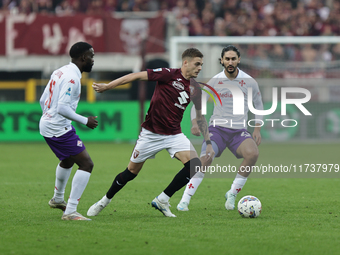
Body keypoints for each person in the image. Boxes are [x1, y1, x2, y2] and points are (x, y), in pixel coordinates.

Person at [87, 48, 214, 218]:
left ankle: (162, 200)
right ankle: (104, 201)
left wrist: (198, 129)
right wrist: (108, 86)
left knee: (194, 165)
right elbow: (135, 76)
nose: (199, 68)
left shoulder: (195, 88)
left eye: (201, 65)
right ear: (186, 62)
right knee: (130, 172)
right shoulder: (168, 74)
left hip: (174, 135)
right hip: (151, 134)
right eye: (197, 64)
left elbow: (199, 115)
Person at [177, 45, 263, 211]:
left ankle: (232, 193)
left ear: (238, 60)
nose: (230, 62)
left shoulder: (250, 82)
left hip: (239, 131)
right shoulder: (215, 81)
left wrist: (257, 129)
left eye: (233, 59)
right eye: (227, 59)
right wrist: (194, 122)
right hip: (217, 130)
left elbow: (259, 105)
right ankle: (185, 199)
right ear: (222, 61)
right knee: (206, 158)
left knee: (253, 154)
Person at [39, 42, 98, 221]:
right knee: (87, 164)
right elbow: (62, 108)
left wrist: (48, 117)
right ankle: (71, 211)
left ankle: (57, 199)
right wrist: (84, 120)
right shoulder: (72, 78)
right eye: (91, 56)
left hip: (50, 124)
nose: (93, 60)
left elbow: (43, 99)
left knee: (67, 160)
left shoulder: (60, 71)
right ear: (82, 58)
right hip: (58, 127)